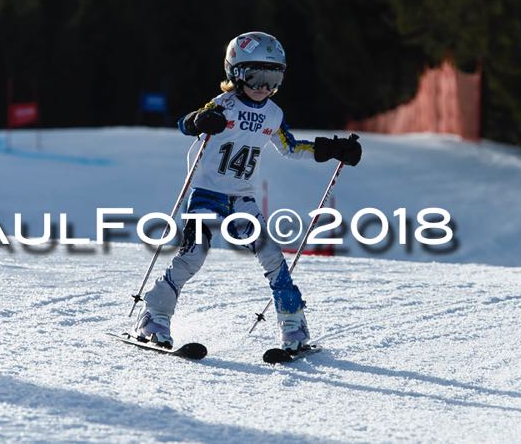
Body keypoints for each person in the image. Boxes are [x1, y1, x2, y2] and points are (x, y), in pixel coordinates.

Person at [133, 32, 361, 353]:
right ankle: (155, 315)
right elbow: (186, 124)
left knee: (271, 255)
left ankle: (293, 323)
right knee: (193, 255)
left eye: (273, 77)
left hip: (242, 198)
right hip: (207, 194)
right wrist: (202, 119)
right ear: (235, 74)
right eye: (256, 76)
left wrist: (333, 148)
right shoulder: (223, 105)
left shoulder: (273, 114)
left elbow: (291, 147)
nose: (263, 87)